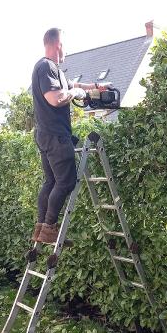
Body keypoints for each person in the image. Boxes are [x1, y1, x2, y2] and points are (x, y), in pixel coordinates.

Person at [31, 27, 109, 245]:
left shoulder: (53, 70)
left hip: (47, 135)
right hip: (56, 136)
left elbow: (72, 85)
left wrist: (94, 87)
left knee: (51, 181)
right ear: (58, 45)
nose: (66, 49)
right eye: (64, 45)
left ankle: (40, 228)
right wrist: (76, 94)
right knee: (65, 183)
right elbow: (56, 98)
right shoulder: (45, 67)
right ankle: (49, 229)